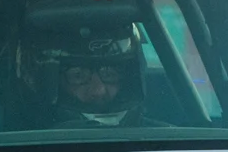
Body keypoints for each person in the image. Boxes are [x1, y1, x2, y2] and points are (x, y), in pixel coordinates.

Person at [19, 12, 150, 128]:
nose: (98, 91)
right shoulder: (16, 142)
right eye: (78, 75)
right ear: (45, 81)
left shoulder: (158, 137)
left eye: (109, 73)